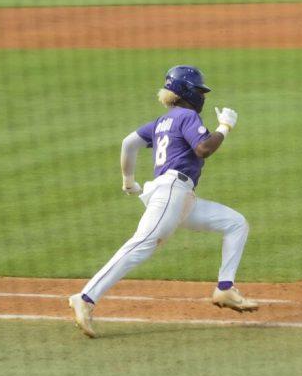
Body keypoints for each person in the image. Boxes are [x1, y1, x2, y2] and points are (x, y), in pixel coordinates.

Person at [68, 66, 254, 338]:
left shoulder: (161, 122)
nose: (202, 96)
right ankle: (85, 298)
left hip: (181, 198)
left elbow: (128, 143)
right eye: (199, 90)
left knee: (235, 223)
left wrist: (128, 180)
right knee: (141, 245)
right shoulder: (187, 116)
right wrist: (224, 127)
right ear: (188, 92)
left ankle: (225, 288)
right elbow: (204, 149)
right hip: (171, 192)